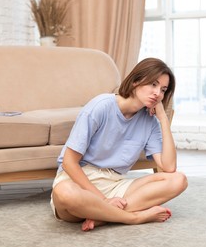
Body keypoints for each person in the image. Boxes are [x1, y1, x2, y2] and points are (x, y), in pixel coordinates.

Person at [50, 58, 188, 231]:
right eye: (153, 84)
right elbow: (69, 162)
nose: (157, 93)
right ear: (136, 81)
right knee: (64, 193)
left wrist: (162, 118)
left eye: (163, 90)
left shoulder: (151, 121)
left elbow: (169, 167)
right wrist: (102, 199)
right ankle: (133, 217)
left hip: (116, 184)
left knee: (178, 180)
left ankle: (103, 216)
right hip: (80, 183)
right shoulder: (101, 106)